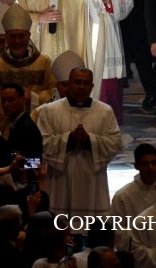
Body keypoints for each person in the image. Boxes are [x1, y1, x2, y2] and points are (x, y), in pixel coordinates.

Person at [64, 0, 134, 122]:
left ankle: (109, 122)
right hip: (82, 33)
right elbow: (64, 5)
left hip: (108, 33)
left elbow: (127, 0)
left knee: (107, 78)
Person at [36, 67, 123, 217]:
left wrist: (89, 140)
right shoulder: (50, 111)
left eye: (85, 83)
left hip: (93, 180)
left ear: (92, 86)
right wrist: (70, 139)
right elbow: (42, 143)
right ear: (69, 84)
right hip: (61, 181)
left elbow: (115, 143)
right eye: (77, 82)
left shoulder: (105, 111)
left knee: (93, 232)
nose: (81, 87)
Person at [0, 3, 56, 127]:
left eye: (21, 36)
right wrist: (11, 101)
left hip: (37, 128)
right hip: (3, 130)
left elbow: (55, 94)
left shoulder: (44, 62)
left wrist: (33, 97)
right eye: (12, 36)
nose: (17, 41)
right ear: (7, 38)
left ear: (29, 36)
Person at [109, 143, 156, 251]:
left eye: (153, 162)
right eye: (145, 164)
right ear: (136, 166)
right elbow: (116, 231)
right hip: (137, 254)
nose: (150, 168)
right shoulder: (122, 196)